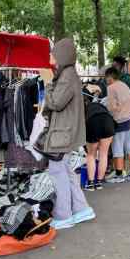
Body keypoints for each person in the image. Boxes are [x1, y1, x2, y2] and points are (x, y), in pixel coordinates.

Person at [37, 38, 95, 230]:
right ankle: (80, 208)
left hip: (62, 133)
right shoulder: (68, 75)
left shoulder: (67, 76)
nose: (50, 56)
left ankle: (64, 215)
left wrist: (47, 83)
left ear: (62, 55)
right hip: (66, 132)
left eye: (53, 53)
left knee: (57, 171)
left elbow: (55, 103)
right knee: (66, 171)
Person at [104, 67, 130, 183]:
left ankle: (119, 175)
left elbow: (112, 107)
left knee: (117, 148)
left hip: (119, 121)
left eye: (106, 77)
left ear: (110, 77)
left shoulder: (111, 88)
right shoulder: (124, 85)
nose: (105, 80)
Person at [83, 86, 114, 191]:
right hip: (108, 121)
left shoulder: (84, 107)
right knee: (103, 154)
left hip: (92, 122)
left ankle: (91, 183)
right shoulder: (101, 105)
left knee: (91, 155)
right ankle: (99, 182)